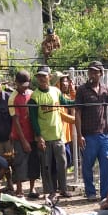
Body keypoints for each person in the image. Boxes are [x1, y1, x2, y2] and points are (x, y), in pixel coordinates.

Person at [75, 61, 108, 199]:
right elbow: (77, 113)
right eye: (91, 71)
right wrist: (79, 135)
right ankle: (90, 192)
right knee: (88, 165)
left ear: (101, 74)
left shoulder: (104, 89)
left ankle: (105, 194)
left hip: (103, 134)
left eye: (96, 72)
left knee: (106, 165)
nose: (93, 74)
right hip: (88, 135)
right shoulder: (82, 90)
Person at [28, 66, 72, 198]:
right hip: (45, 138)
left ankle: (63, 189)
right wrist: (39, 137)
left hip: (58, 136)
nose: (41, 79)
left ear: (50, 77)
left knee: (62, 163)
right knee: (46, 166)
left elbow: (66, 103)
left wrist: (78, 101)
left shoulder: (55, 91)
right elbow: (34, 119)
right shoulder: (34, 97)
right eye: (39, 76)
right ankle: (50, 191)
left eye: (44, 76)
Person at [10, 70, 41, 199]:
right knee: (20, 162)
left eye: (26, 84)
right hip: (19, 136)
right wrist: (24, 141)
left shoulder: (32, 94)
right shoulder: (13, 98)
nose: (24, 87)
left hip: (32, 134)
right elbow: (15, 121)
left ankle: (32, 188)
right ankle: (19, 189)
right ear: (16, 83)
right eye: (22, 84)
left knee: (34, 162)